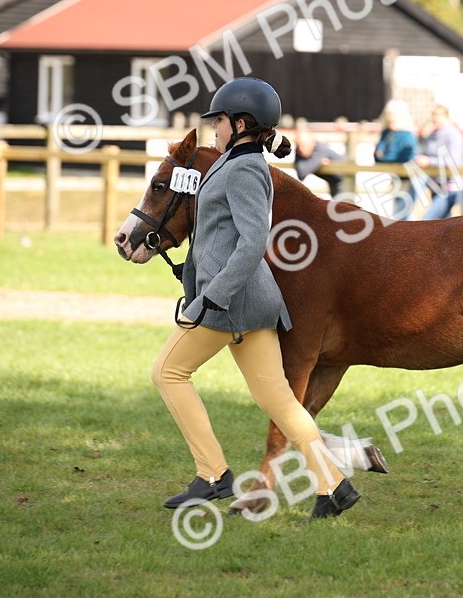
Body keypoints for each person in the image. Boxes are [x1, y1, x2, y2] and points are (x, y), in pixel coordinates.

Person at [152, 76, 362, 521]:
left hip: (230, 304)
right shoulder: (235, 162)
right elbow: (218, 236)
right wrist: (190, 274)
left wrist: (214, 295)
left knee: (168, 373)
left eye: (221, 120)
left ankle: (212, 474)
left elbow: (251, 242)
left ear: (242, 123)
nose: (215, 127)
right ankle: (334, 486)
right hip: (248, 302)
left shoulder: (244, 168)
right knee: (280, 401)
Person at [413, 104, 463, 220]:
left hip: (451, 185)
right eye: (433, 114)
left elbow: (455, 162)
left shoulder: (454, 135)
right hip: (435, 185)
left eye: (438, 115)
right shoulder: (432, 135)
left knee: (428, 220)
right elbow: (425, 154)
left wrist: (429, 162)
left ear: (446, 116)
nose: (434, 118)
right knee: (444, 224)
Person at [373, 98, 417, 220]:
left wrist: (384, 157)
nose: (391, 118)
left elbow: (402, 157)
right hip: (394, 177)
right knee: (399, 211)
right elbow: (377, 155)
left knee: (403, 212)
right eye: (389, 115)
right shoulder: (386, 133)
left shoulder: (407, 135)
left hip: (407, 179)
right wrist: (383, 157)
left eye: (394, 115)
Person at [292, 120, 345, 197]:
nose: (301, 149)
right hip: (334, 187)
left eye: (304, 145)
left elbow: (302, 173)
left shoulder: (320, 150)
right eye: (299, 146)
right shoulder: (300, 152)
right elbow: (301, 172)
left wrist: (317, 161)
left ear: (312, 142)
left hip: (344, 184)